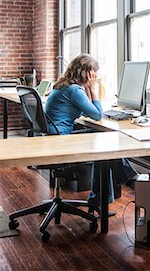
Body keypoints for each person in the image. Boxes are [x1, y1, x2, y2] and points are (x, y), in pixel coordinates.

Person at [45, 53, 137, 208]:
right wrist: (93, 89)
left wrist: (87, 90)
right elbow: (97, 114)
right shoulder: (74, 90)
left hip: (55, 137)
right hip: (61, 141)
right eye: (95, 72)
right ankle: (126, 181)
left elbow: (87, 111)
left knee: (104, 142)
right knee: (105, 146)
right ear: (87, 73)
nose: (96, 76)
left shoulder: (65, 86)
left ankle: (115, 188)